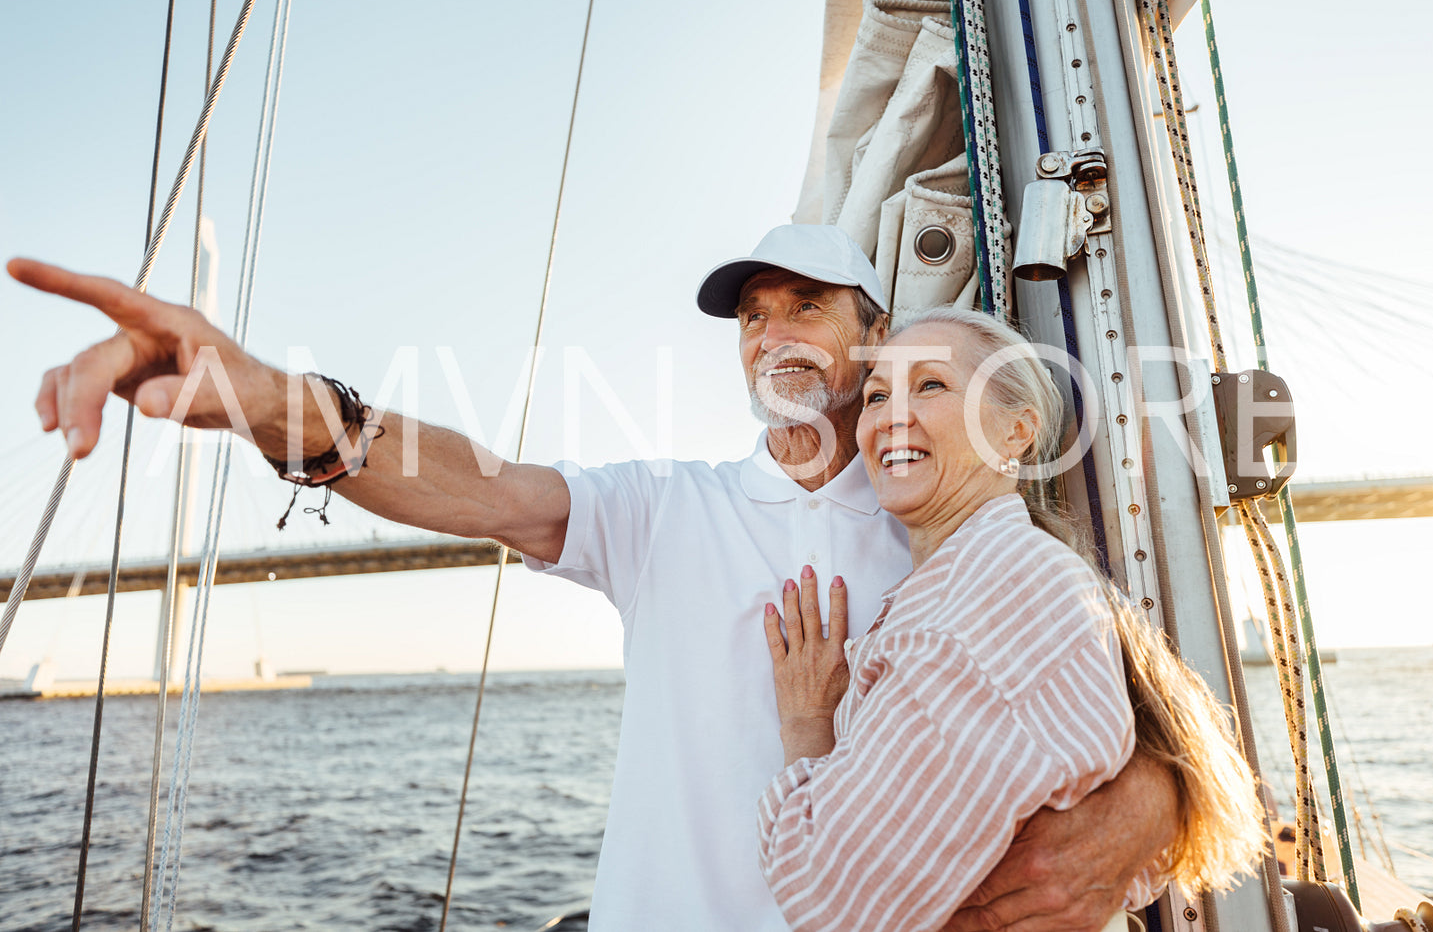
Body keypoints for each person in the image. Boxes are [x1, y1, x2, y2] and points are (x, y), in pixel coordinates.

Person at [9, 224, 1179, 931]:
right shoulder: (669, 508)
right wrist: (272, 399)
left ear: (873, 335)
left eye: (805, 306)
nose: (771, 336)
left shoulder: (958, 536)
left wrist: (1150, 807)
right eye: (750, 319)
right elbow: (479, 482)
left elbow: (1129, 713)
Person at [757, 307, 1266, 931]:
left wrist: (807, 725)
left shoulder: (974, 607)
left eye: (932, 385)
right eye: (876, 395)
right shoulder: (1005, 578)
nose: (891, 415)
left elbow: (828, 897)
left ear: (1016, 431)